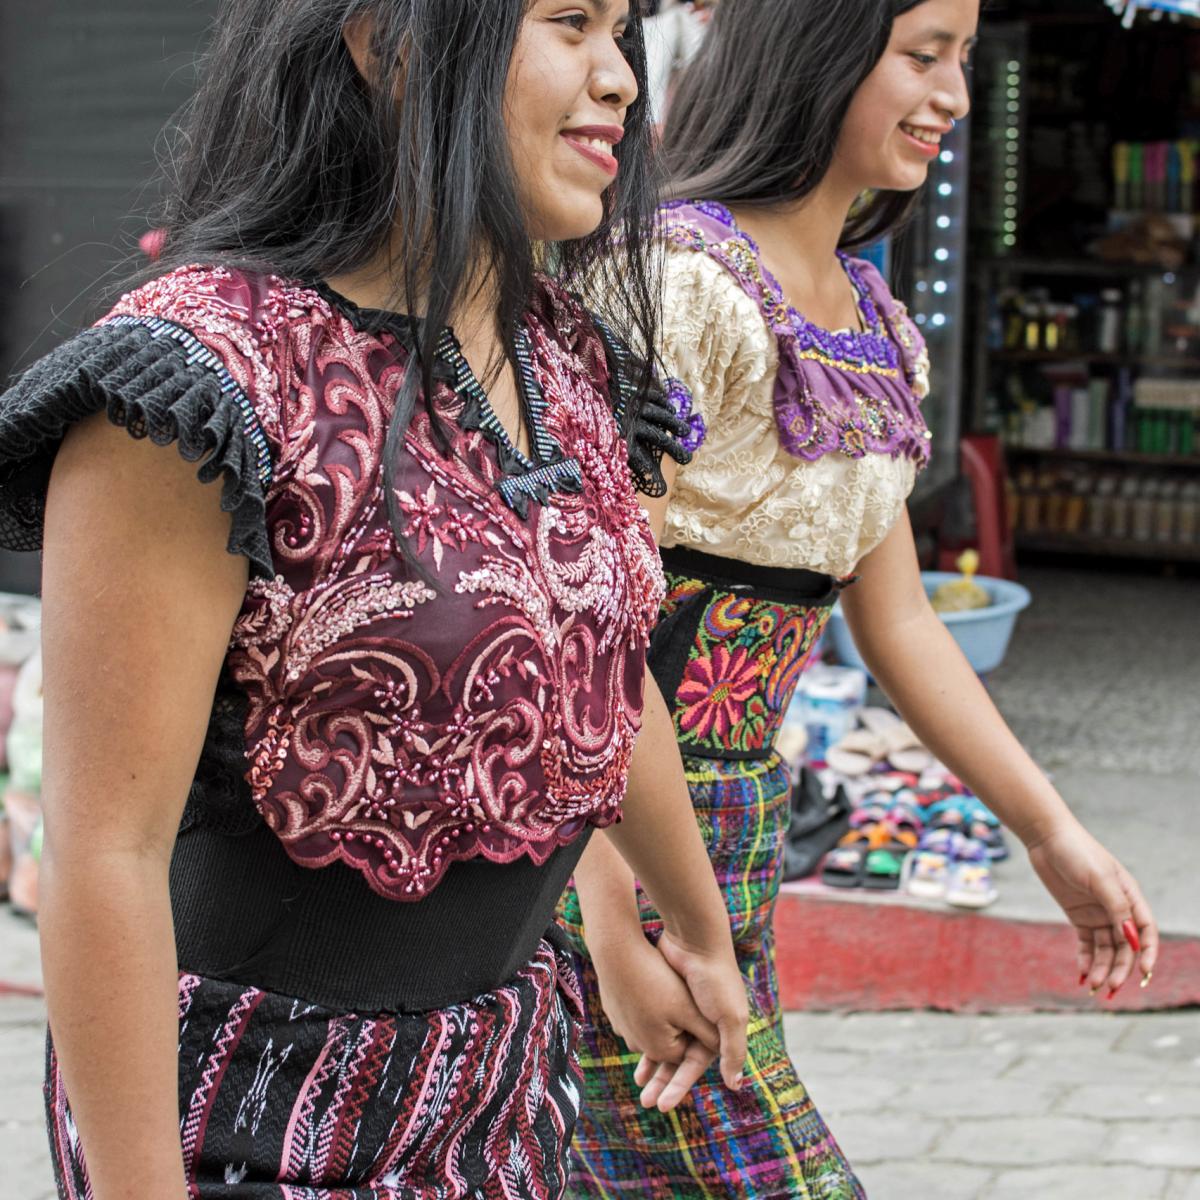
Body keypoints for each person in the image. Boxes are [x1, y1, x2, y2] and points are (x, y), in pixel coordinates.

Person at [0, 2, 752, 1196]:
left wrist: (691, 932)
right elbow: (103, 853)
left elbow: (605, 676)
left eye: (624, 29)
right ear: (386, 41)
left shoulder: (569, 363)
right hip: (249, 1115)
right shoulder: (197, 388)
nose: (619, 78)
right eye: (570, 21)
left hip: (504, 1083)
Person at [560, 1, 1161, 1196]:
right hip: (610, 845)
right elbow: (578, 626)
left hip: (740, 834)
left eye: (962, 62)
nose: (952, 96)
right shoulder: (682, 285)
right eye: (921, 55)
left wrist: (1050, 833)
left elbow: (899, 625)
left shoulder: (877, 330)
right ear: (820, 51)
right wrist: (604, 923)